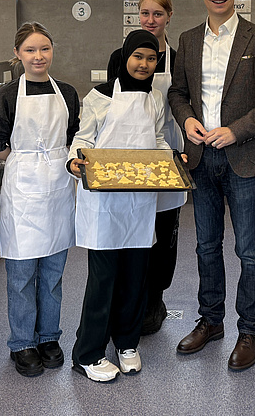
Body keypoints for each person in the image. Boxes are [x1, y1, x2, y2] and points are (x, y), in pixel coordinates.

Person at [168, 0, 255, 371]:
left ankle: (250, 329)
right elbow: (178, 93)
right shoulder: (187, 40)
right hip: (200, 158)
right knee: (205, 246)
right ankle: (211, 320)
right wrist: (186, 119)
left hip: (243, 156)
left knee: (250, 249)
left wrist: (236, 131)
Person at [68, 30, 170, 383]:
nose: (144, 64)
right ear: (125, 56)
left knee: (135, 276)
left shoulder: (156, 98)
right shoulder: (98, 97)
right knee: (103, 279)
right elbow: (83, 139)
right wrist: (74, 161)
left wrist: (173, 160)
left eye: (151, 58)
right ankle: (87, 353)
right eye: (138, 56)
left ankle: (127, 343)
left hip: (139, 201)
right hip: (103, 202)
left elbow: (156, 139)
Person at [0, 22, 80, 377]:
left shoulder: (68, 92)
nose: (38, 56)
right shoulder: (7, 95)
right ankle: (22, 343)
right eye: (30, 50)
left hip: (58, 187)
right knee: (22, 274)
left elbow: (74, 136)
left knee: (54, 273)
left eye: (44, 48)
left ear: (52, 50)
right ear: (18, 54)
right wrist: (26, 160)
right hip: (22, 187)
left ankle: (48, 337)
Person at [106, 0, 185, 335]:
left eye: (157, 14)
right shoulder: (118, 56)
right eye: (145, 13)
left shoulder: (180, 60)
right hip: (131, 154)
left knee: (165, 233)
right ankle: (127, 298)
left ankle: (155, 298)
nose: (150, 20)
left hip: (167, 149)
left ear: (169, 17)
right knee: (132, 231)